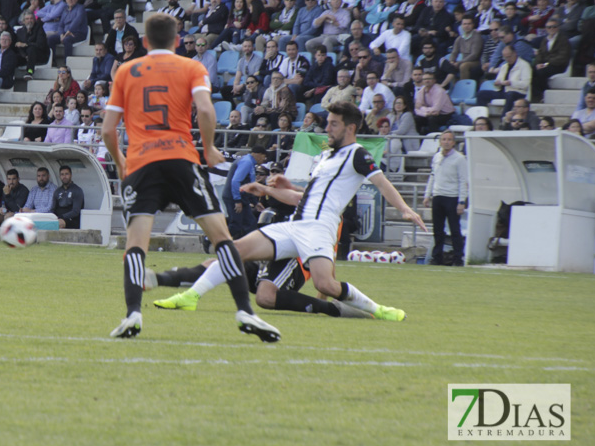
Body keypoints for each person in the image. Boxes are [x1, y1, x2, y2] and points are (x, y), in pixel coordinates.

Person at [155, 101, 425, 321]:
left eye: (333, 124)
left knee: (326, 286)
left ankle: (377, 310)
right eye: (327, 122)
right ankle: (190, 297)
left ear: (350, 128)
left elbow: (381, 181)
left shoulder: (357, 153)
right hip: (296, 224)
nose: (327, 128)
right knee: (233, 250)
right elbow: (305, 198)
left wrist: (403, 209)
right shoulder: (326, 158)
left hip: (319, 230)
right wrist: (275, 189)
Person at [101, 12, 278, 341]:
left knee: (135, 245)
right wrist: (209, 148)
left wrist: (121, 161)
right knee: (222, 240)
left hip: (142, 165)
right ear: (177, 40)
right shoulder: (191, 67)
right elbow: (207, 110)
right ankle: (244, 311)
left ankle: (133, 315)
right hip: (182, 160)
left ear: (144, 42)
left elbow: (108, 129)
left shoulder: (126, 70)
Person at [423, 130, 468, 266]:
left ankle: (458, 257)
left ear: (453, 142)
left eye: (449, 140)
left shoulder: (459, 158)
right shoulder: (437, 157)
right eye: (444, 139)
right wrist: (427, 195)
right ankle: (437, 257)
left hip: (452, 197)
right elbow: (432, 176)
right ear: (440, 141)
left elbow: (463, 181)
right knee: (438, 229)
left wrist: (461, 201)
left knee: (455, 230)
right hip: (438, 196)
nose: (446, 142)